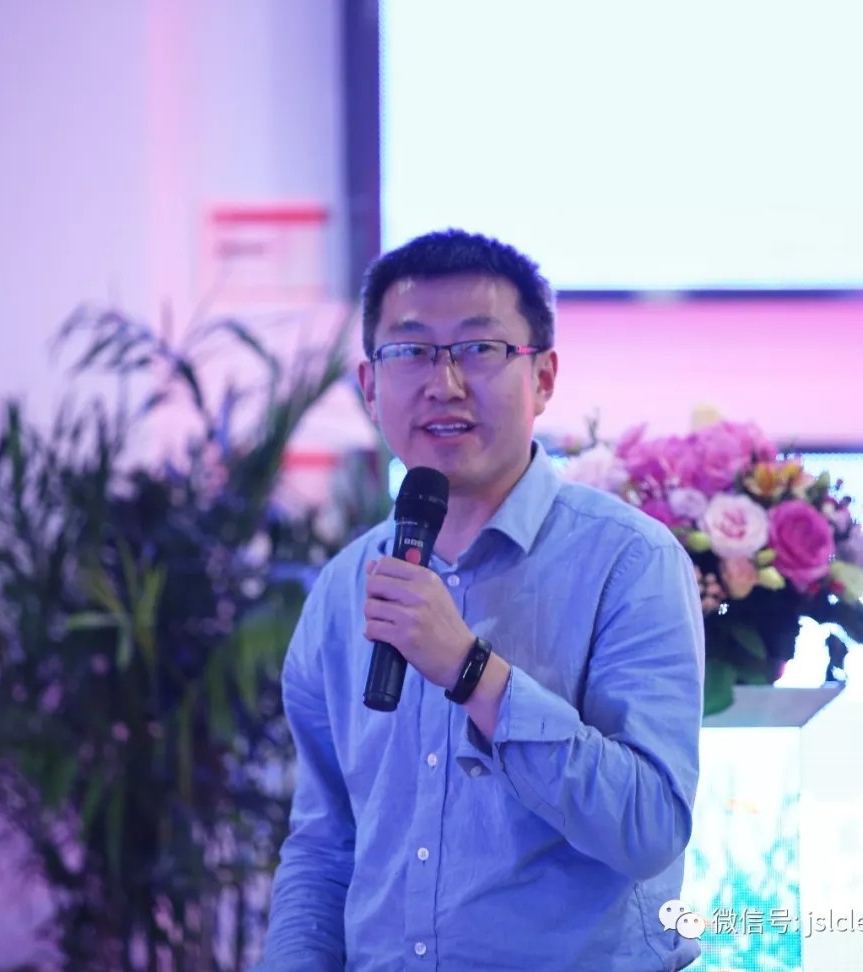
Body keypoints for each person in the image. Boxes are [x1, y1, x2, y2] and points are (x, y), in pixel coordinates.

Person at [256, 229, 704, 970]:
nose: (445, 382)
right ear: (370, 385)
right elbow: (325, 846)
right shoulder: (341, 589)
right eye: (411, 351)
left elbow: (649, 827)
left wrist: (472, 671)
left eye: (478, 348)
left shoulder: (631, 562)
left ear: (544, 377)